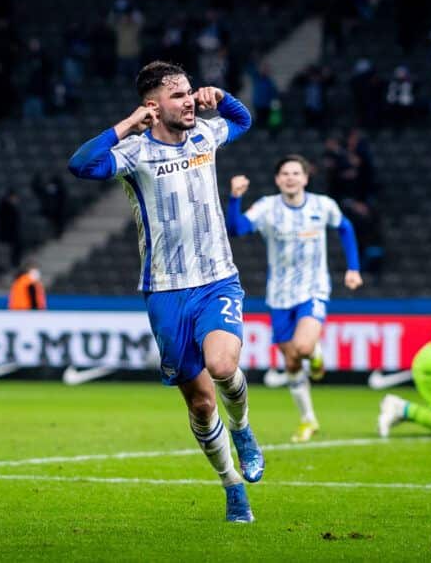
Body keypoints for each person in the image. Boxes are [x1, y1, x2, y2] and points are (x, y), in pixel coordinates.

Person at [68, 61, 261, 522]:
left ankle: (244, 430)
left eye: (190, 91)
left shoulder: (206, 135)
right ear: (153, 105)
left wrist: (222, 95)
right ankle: (232, 486)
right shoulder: (135, 153)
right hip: (165, 291)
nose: (190, 100)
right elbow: (81, 165)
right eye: (179, 95)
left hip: (217, 278)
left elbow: (243, 120)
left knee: (222, 365)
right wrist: (128, 125)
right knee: (198, 402)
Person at [225, 155, 363, 443]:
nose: (290, 177)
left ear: (305, 178)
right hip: (279, 295)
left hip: (313, 289)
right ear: (277, 180)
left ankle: (314, 353)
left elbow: (345, 228)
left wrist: (353, 268)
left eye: (296, 173)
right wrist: (235, 198)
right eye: (285, 173)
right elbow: (236, 229)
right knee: (290, 362)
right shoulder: (267, 208)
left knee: (301, 347)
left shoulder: (322, 205)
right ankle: (308, 419)